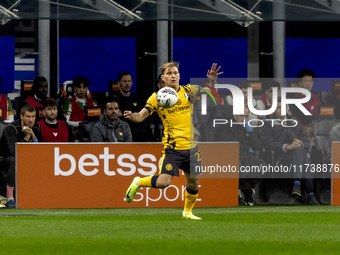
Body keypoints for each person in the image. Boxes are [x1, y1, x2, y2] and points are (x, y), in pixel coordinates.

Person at [124, 62, 223, 220]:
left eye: (175, 72)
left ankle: (187, 212)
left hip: (191, 147)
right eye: (169, 73)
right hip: (173, 147)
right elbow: (141, 116)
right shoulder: (157, 97)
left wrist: (212, 81)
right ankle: (139, 181)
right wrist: (132, 116)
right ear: (163, 78)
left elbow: (209, 94)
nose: (173, 75)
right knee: (164, 182)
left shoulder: (189, 91)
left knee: (193, 183)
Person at [261, 100, 319, 205]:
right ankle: (310, 194)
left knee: (298, 150)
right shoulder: (268, 124)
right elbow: (268, 143)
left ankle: (297, 184)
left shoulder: (295, 123)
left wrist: (300, 143)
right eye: (278, 107)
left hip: (297, 157)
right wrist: (287, 147)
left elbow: (307, 143)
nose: (281, 110)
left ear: (287, 108)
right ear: (274, 110)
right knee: (303, 158)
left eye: (283, 107)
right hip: (282, 158)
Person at [0, 104, 41, 208]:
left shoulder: (36, 127)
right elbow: (16, 152)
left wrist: (33, 136)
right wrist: (27, 137)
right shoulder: (11, 128)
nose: (31, 120)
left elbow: (40, 150)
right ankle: (10, 198)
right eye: (28, 116)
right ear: (21, 116)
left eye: (33, 116)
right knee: (16, 160)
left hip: (25, 158)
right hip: (4, 159)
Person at [115, 71, 156, 142]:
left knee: (155, 140)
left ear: (132, 82)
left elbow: (145, 116)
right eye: (124, 81)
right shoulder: (115, 99)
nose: (127, 84)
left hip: (141, 129)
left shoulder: (139, 98)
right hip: (125, 130)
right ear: (119, 83)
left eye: (129, 81)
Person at [289, 69, 321, 137]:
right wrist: (319, 118)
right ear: (300, 83)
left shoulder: (316, 97)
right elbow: (305, 119)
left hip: (317, 126)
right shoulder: (296, 99)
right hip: (301, 128)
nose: (308, 83)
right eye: (305, 81)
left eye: (310, 81)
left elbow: (323, 113)